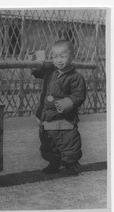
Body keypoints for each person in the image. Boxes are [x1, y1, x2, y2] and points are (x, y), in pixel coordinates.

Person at [32, 40, 86, 176]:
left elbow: (79, 95)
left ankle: (71, 164)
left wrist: (68, 102)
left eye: (63, 56)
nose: (58, 60)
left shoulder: (75, 77)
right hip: (47, 116)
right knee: (49, 143)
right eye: (55, 57)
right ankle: (53, 163)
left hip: (64, 118)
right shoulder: (50, 72)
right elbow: (37, 72)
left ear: (71, 57)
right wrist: (36, 61)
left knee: (68, 142)